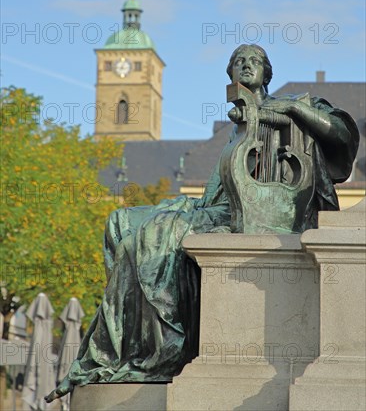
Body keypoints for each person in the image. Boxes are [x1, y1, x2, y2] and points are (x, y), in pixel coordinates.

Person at [46, 44, 358, 401]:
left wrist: (292, 109)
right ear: (229, 74)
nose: (245, 66)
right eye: (238, 62)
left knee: (152, 235)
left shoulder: (295, 102)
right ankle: (126, 347)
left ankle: (162, 348)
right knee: (120, 221)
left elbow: (341, 135)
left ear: (266, 73)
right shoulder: (236, 125)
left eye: (253, 62)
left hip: (261, 210)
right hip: (219, 207)